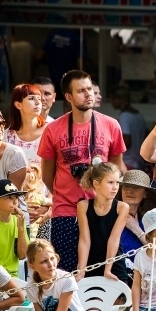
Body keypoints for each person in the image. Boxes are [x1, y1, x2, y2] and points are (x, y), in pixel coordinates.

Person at [37, 69, 126, 272]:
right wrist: (65, 192)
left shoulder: (111, 125)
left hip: (100, 209)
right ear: (68, 97)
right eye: (81, 91)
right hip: (65, 210)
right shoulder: (53, 129)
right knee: (66, 273)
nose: (88, 95)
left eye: (90, 89)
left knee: (101, 273)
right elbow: (47, 175)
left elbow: (115, 169)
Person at [76, 162, 130, 284]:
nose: (115, 187)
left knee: (118, 300)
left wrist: (108, 270)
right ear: (96, 183)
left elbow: (114, 239)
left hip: (113, 261)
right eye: (110, 182)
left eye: (117, 183)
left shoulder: (122, 207)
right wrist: (81, 271)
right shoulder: (83, 206)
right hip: (90, 261)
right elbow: (84, 240)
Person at [115, 169, 156, 269]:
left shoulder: (149, 220)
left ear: (145, 194)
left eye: (136, 187)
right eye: (126, 186)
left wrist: (136, 229)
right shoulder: (111, 215)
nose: (130, 191)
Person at [5, 83, 47, 169]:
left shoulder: (50, 130)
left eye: (39, 99)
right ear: (18, 105)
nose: (37, 102)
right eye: (31, 98)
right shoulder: (7, 137)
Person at [110, 84, 148, 171]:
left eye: (113, 99)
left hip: (128, 163)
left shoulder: (124, 116)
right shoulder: (139, 115)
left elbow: (126, 141)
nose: (111, 102)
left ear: (121, 99)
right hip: (139, 162)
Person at [23, 163, 52, 240]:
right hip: (33, 235)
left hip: (22, 234)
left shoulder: (17, 199)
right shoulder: (38, 198)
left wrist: (46, 214)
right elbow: (54, 202)